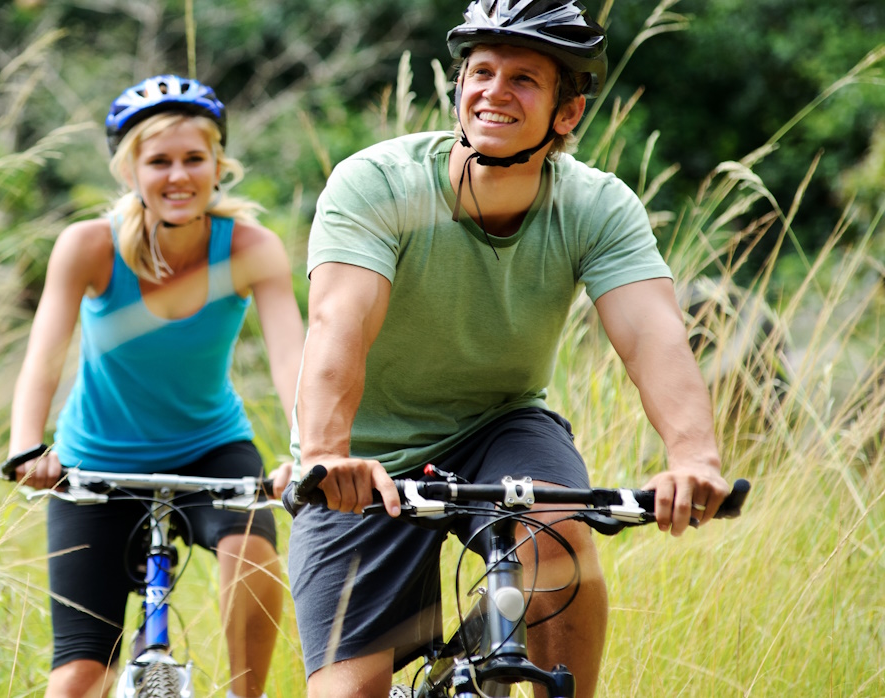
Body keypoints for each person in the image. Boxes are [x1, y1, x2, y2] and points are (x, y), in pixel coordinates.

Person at [279, 1, 733, 696]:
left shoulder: (596, 205)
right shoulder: (379, 182)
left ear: (567, 113)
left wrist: (693, 458)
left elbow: (653, 335)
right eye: (481, 71)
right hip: (363, 455)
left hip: (500, 423)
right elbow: (339, 322)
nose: (494, 90)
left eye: (523, 78)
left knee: (560, 526)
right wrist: (325, 454)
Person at [6, 75, 304, 698]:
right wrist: (29, 448)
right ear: (129, 170)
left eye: (194, 159)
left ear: (218, 165)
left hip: (211, 450)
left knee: (251, 557)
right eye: (159, 161)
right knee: (78, 679)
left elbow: (293, 362)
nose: (178, 176)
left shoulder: (252, 248)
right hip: (95, 464)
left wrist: (310, 453)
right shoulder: (89, 246)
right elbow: (44, 357)